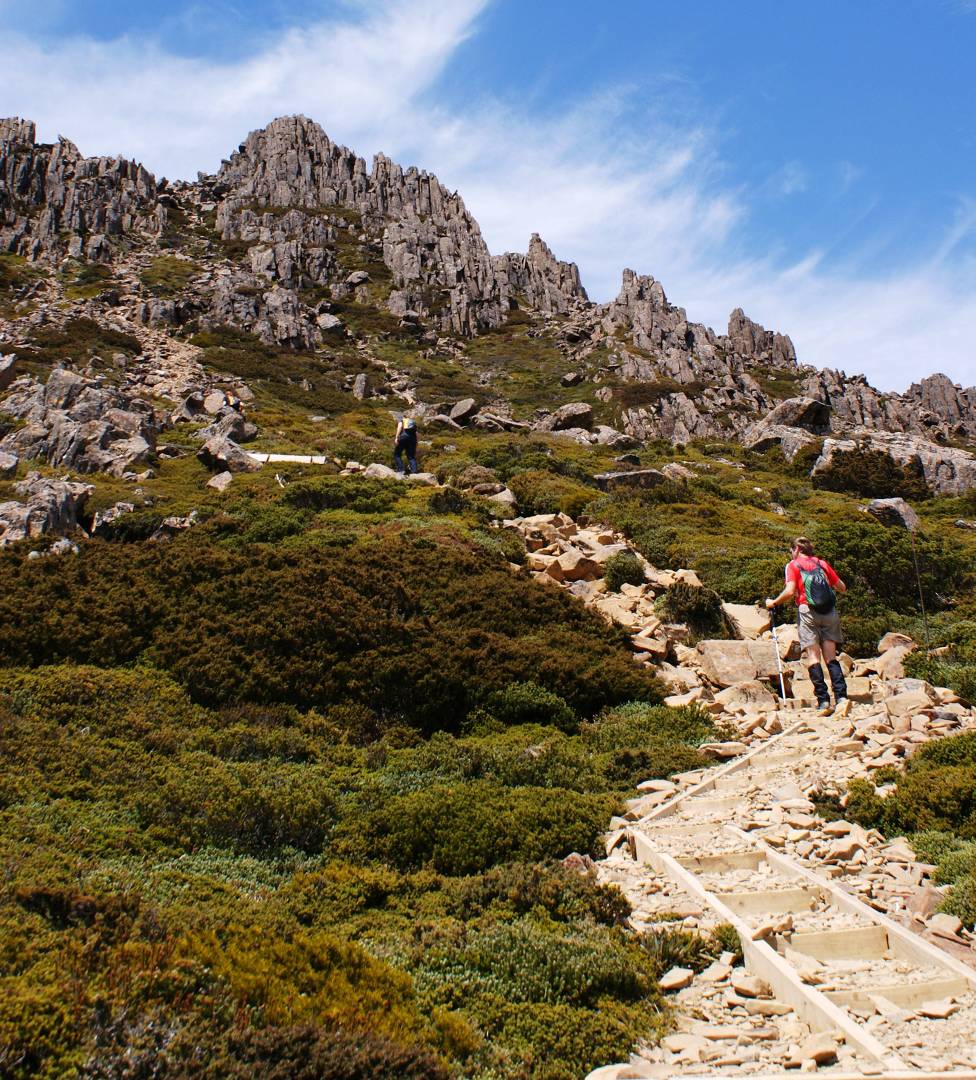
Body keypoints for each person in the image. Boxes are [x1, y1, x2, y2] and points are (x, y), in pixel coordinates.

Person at [766, 536, 850, 717]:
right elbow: (842, 587)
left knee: (813, 656)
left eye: (791, 550)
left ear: (796, 549)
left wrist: (773, 602)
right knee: (830, 656)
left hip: (807, 611)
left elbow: (790, 591)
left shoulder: (793, 565)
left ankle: (823, 700)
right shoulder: (822, 564)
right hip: (829, 612)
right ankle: (842, 697)